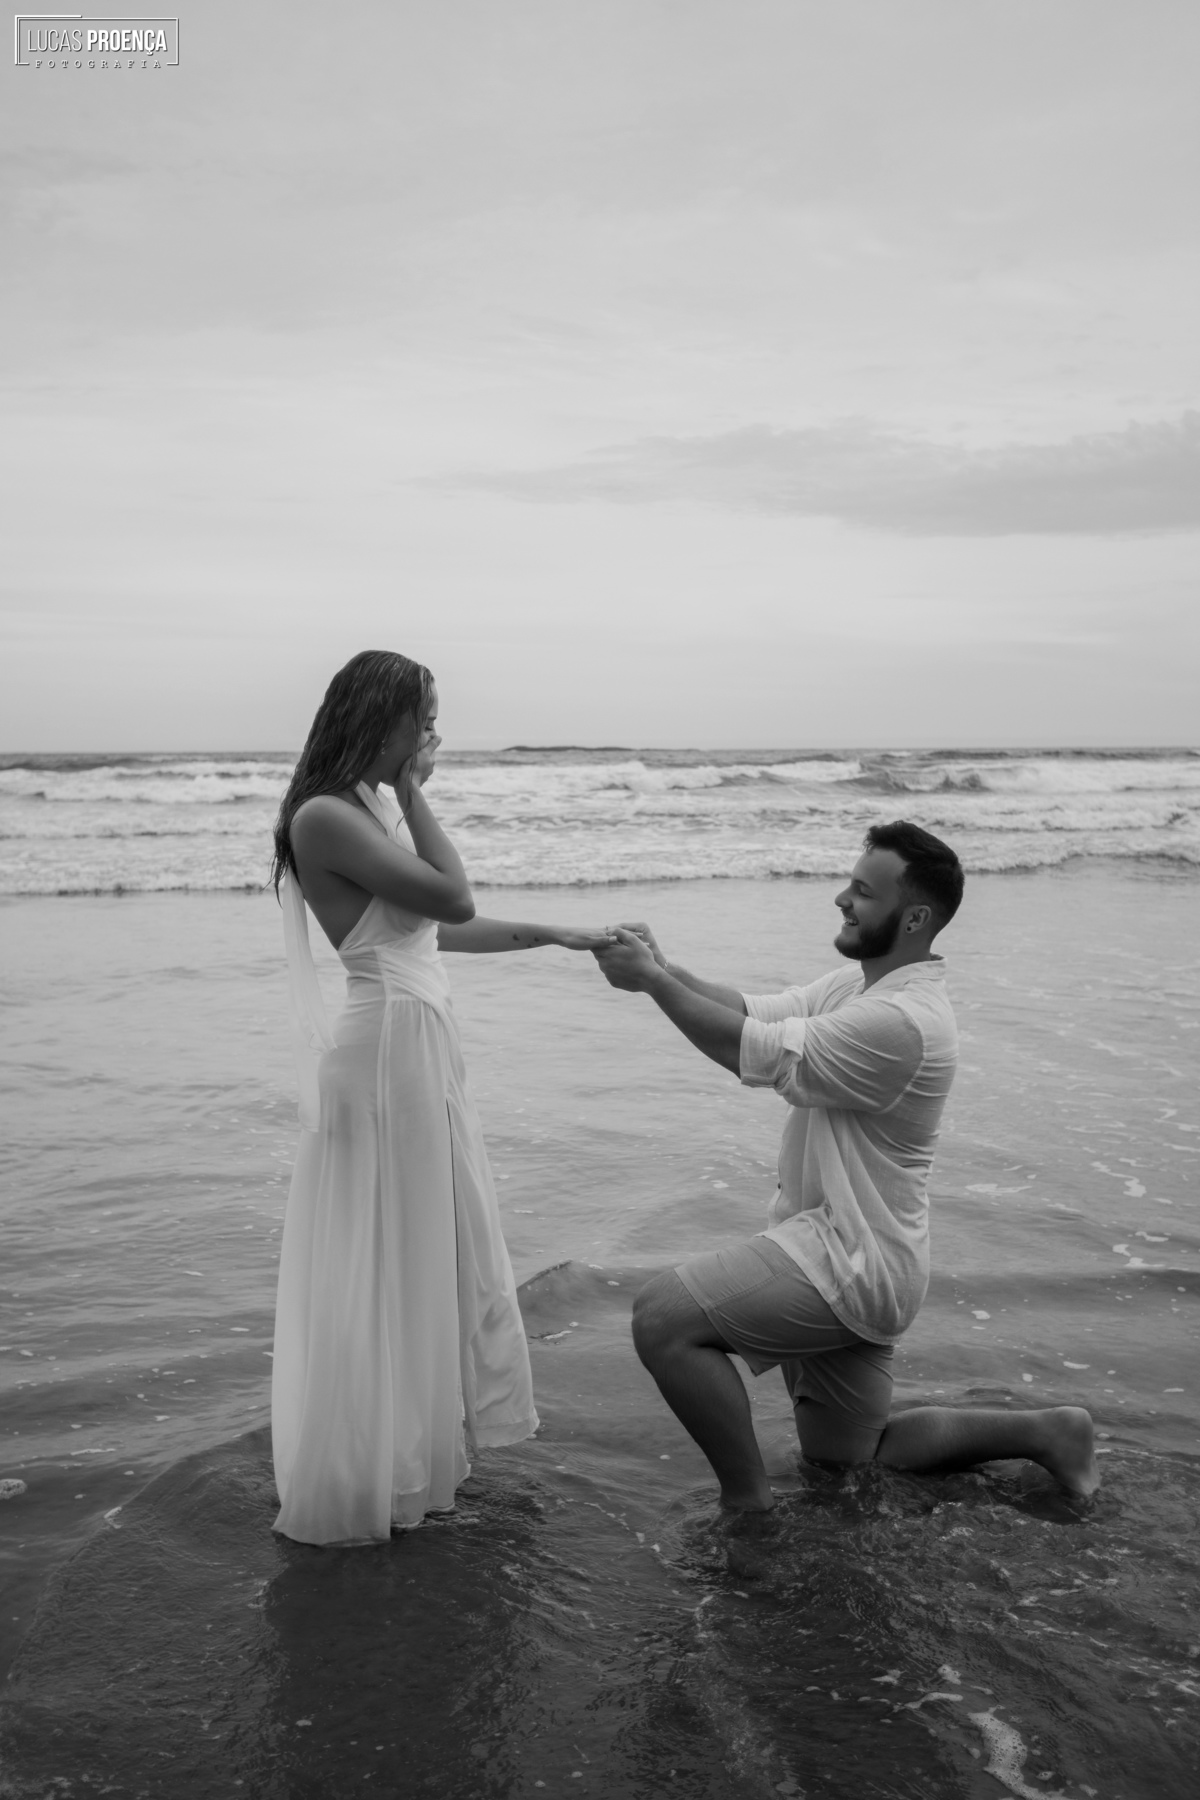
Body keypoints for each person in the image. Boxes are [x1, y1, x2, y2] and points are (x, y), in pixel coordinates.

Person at [594, 820, 1098, 1510]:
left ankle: (747, 1507)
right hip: (868, 1256)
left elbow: (758, 1054)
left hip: (847, 1257)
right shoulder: (861, 987)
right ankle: (1049, 1432)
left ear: (914, 918)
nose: (841, 899)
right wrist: (664, 966)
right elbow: (753, 1013)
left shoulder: (903, 1020)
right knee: (848, 1460)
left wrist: (653, 983)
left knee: (663, 1318)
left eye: (863, 891)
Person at [268, 649, 609, 1544]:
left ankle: (403, 1460)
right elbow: (452, 898)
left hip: (416, 1046)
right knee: (389, 1254)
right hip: (385, 1053)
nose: (433, 734)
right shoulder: (325, 816)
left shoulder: (365, 811)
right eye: (422, 718)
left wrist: (553, 933)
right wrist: (415, 790)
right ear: (376, 716)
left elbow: (427, 933)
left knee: (421, 1251)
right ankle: (362, 1471)